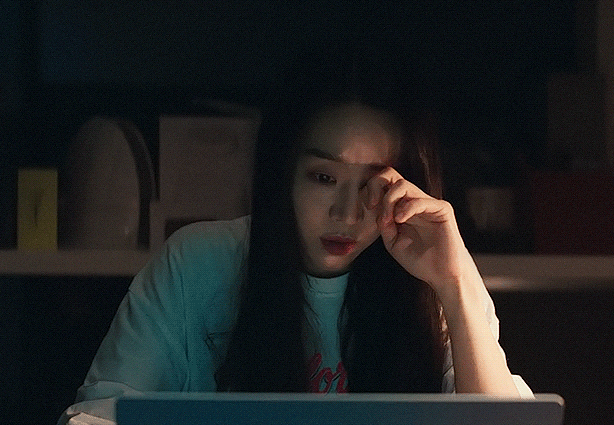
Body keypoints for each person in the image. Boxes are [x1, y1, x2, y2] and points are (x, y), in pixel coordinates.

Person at [58, 50, 532, 425]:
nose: (346, 213)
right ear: (282, 172)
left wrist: (455, 283)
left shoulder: (435, 277)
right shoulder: (200, 263)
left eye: (372, 185)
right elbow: (96, 415)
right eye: (324, 178)